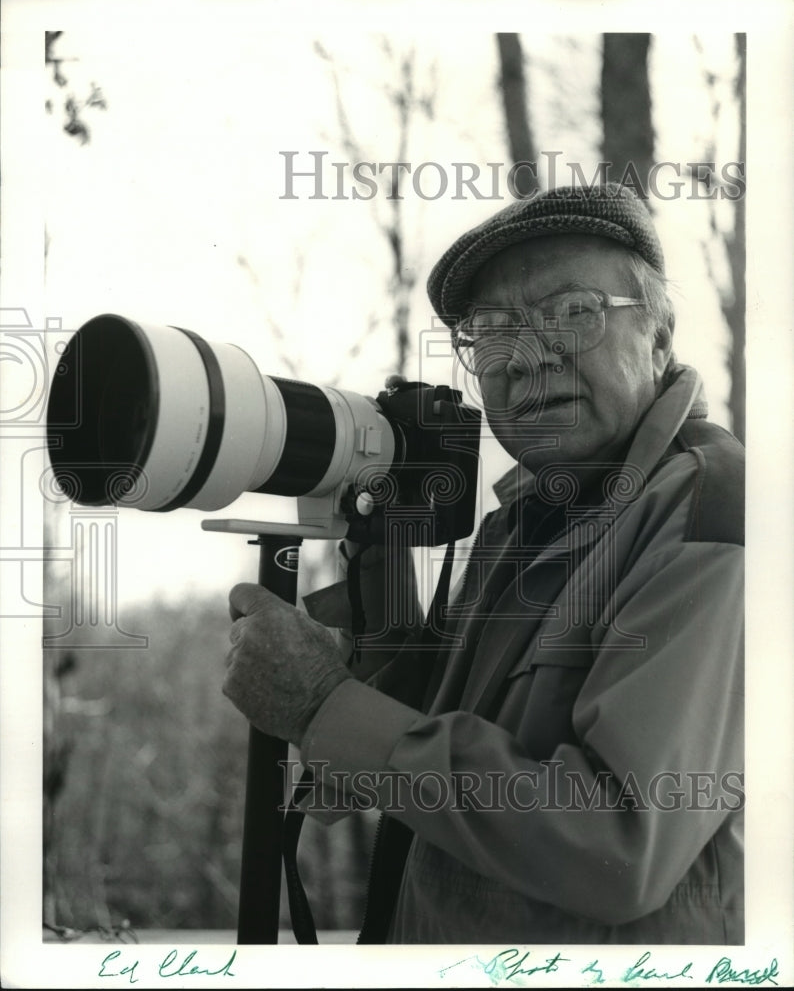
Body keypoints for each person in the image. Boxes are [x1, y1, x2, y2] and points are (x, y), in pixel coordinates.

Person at [223, 182, 744, 944]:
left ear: (661, 336)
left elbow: (617, 843)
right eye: (492, 331)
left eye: (573, 313)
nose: (526, 358)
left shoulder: (713, 515)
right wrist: (384, 626)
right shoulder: (524, 518)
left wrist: (322, 707)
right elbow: (466, 752)